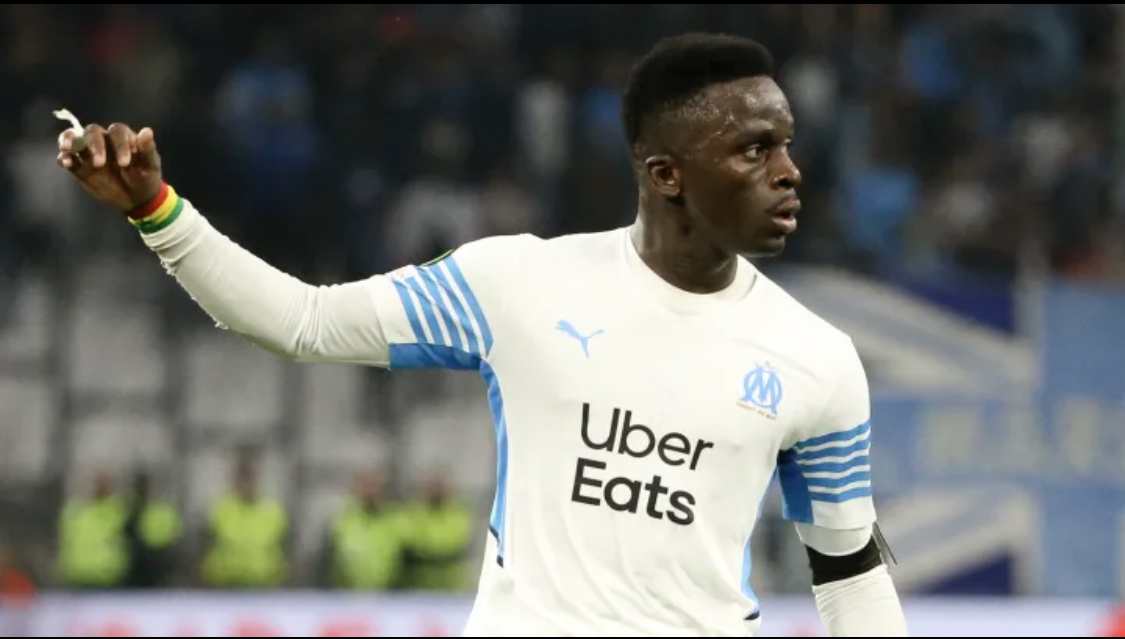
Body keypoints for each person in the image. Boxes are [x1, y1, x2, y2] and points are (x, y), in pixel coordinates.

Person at [56, 32, 907, 637]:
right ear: (665, 175)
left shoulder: (818, 359)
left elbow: (848, 574)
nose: (789, 170)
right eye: (754, 150)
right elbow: (303, 321)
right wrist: (157, 210)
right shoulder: (515, 282)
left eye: (785, 145)